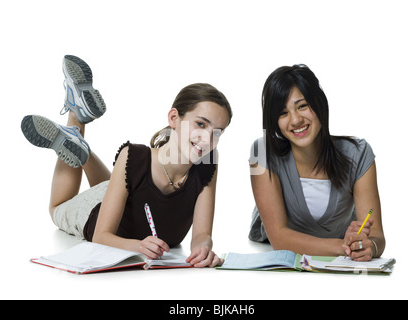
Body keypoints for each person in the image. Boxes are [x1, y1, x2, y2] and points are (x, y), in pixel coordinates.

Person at [21, 55, 232, 267]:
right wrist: (137, 246)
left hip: (129, 194)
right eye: (200, 124)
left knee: (122, 181)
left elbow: (202, 234)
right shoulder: (135, 157)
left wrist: (202, 248)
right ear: (174, 118)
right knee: (57, 208)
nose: (207, 139)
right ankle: (75, 120)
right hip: (97, 210)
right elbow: (101, 236)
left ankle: (78, 139)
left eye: (217, 132)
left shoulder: (208, 161)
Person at [248, 64, 385, 261]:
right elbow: (279, 239)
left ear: (319, 103)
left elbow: (377, 236)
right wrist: (342, 246)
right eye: (282, 113)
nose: (295, 120)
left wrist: (369, 246)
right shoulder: (261, 152)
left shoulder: (359, 153)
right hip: (267, 248)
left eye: (302, 106)